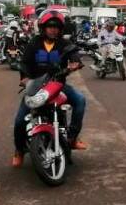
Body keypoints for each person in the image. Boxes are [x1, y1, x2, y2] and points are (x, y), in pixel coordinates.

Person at [12, 9, 87, 167]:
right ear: (43, 27)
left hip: (57, 85)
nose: (53, 29)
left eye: (57, 26)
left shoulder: (64, 43)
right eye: (50, 26)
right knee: (19, 121)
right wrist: (24, 79)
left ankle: (72, 138)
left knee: (80, 100)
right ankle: (19, 150)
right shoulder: (34, 43)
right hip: (36, 86)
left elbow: (74, 54)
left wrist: (75, 62)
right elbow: (24, 63)